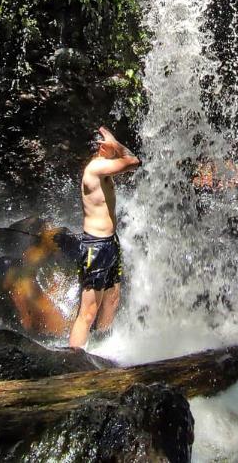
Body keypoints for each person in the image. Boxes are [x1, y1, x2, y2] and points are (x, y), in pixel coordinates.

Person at [69, 125, 140, 348]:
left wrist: (113, 144)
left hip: (110, 242)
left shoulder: (103, 168)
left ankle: (102, 348)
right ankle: (71, 363)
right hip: (96, 247)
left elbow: (130, 162)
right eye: (109, 143)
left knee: (112, 299)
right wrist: (116, 144)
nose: (115, 147)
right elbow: (133, 162)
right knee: (88, 312)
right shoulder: (96, 168)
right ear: (102, 147)